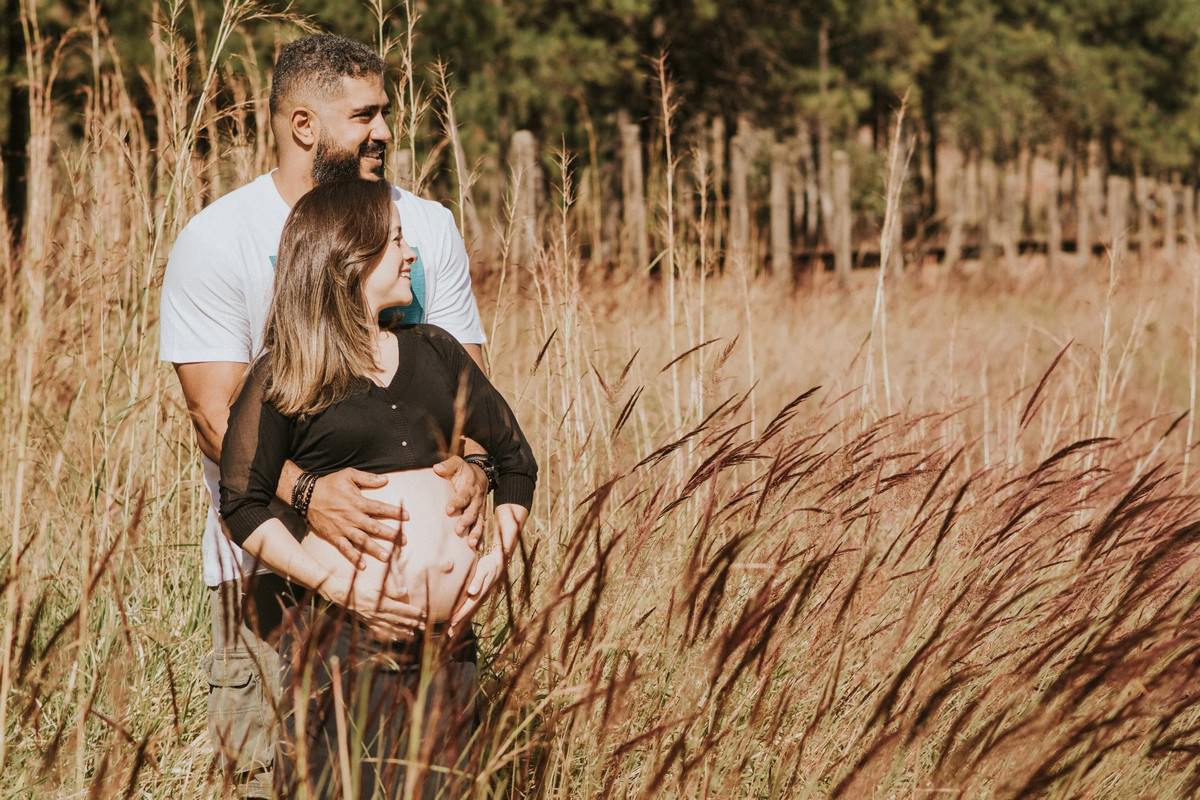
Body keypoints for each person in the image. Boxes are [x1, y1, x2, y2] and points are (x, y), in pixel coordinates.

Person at [159, 33, 494, 797]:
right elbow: (214, 417)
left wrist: (472, 467)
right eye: (364, 115)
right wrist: (311, 494)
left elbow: (470, 388)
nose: (384, 131)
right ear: (303, 125)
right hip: (271, 569)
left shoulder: (427, 227)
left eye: (387, 113)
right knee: (270, 774)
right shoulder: (219, 238)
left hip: (416, 586)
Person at [218, 177, 537, 798]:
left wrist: (491, 565)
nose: (410, 253)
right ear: (348, 261)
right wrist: (339, 586)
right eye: (395, 241)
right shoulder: (288, 373)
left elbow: (516, 460)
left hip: (450, 646)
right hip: (349, 644)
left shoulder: (437, 353)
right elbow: (242, 501)